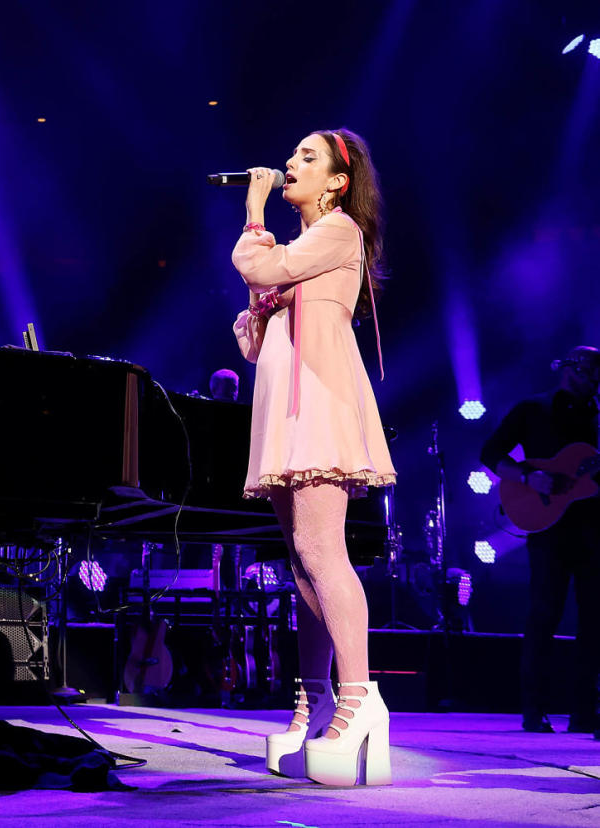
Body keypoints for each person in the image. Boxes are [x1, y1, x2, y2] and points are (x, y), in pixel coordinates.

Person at [230, 129, 396, 785]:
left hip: (321, 402)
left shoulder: (337, 232)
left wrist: (252, 212)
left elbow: (263, 268)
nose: (290, 163)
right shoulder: (303, 246)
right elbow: (255, 338)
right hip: (283, 409)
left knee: (324, 551)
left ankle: (359, 700)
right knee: (302, 558)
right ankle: (316, 696)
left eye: (307, 157)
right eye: (290, 154)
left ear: (337, 182)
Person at [480, 346, 600, 736]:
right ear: (570, 369)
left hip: (593, 527)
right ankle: (534, 711)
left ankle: (584, 712)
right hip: (548, 527)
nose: (595, 377)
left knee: (594, 621)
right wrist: (529, 478)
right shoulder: (534, 408)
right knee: (544, 615)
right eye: (590, 370)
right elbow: (490, 452)